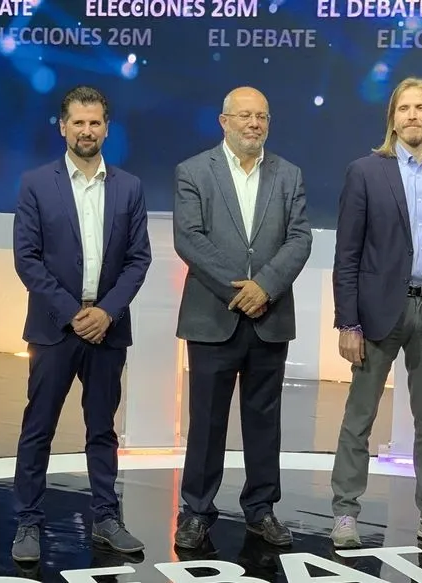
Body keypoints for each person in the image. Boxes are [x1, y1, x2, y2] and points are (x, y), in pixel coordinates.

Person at [329, 76, 422, 552]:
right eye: (404, 108)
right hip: (376, 314)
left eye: (420, 108)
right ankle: (345, 512)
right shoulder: (365, 172)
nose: (412, 116)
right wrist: (348, 322)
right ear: (392, 118)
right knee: (359, 417)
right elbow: (347, 255)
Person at [10, 85, 152, 562]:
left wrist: (106, 311)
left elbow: (138, 259)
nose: (86, 130)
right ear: (62, 127)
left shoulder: (129, 187)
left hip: (107, 328)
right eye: (78, 122)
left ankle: (106, 518)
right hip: (55, 328)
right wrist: (73, 313)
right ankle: (28, 522)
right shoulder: (36, 183)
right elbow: (27, 259)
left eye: (95, 123)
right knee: (38, 428)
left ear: (107, 129)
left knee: (102, 429)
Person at [172, 86, 313, 549]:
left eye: (262, 117)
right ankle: (196, 511)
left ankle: (261, 509)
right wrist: (242, 290)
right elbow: (189, 238)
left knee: (264, 421)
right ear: (224, 121)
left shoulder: (289, 174)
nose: (254, 124)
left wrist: (264, 287)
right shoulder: (194, 171)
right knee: (206, 421)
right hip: (214, 316)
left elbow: (299, 238)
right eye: (245, 116)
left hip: (269, 317)